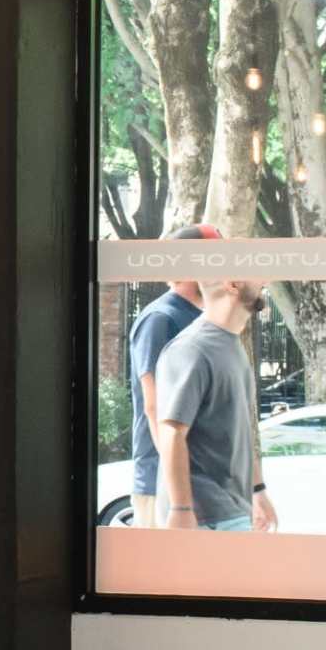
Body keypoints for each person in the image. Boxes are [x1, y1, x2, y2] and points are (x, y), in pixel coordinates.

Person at [150, 275, 277, 534]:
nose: (265, 278)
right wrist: (181, 510)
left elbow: (238, 430)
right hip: (207, 517)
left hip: (230, 512)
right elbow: (172, 431)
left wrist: (258, 491)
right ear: (233, 284)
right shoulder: (192, 348)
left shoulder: (231, 344)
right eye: (256, 272)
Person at [126, 224, 226, 526]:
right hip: (164, 486)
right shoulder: (160, 319)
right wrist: (178, 490)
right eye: (215, 258)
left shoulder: (203, 319)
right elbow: (154, 405)